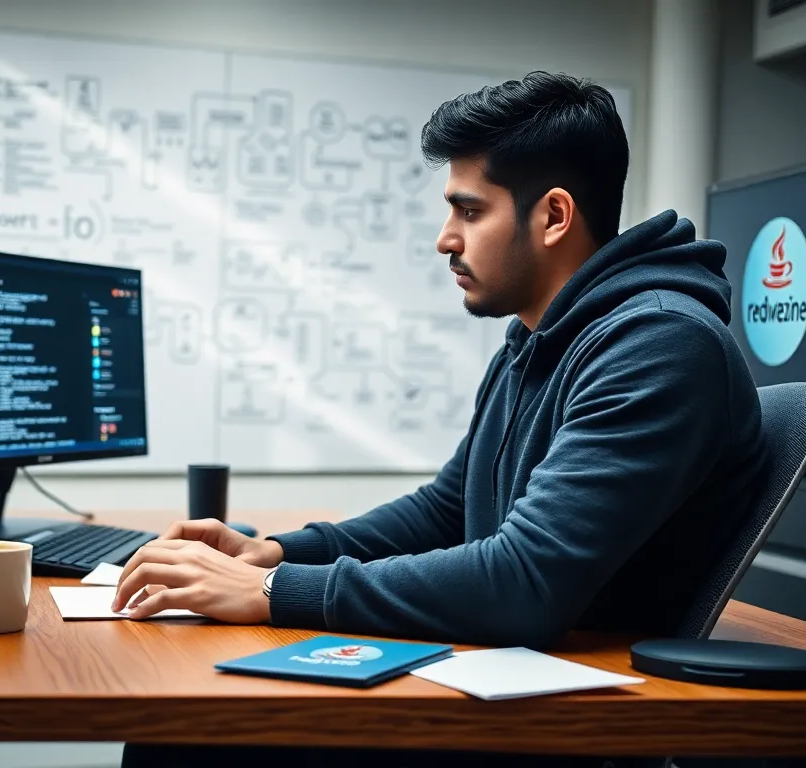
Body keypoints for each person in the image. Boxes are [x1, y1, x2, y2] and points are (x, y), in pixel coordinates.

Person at [114, 71, 768, 767]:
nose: (444, 239)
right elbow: (448, 509)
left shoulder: (661, 346)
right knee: (187, 710)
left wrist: (271, 593)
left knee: (188, 734)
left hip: (568, 725)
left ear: (552, 216)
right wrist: (278, 554)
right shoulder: (539, 339)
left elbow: (526, 583)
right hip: (497, 680)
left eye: (469, 211)